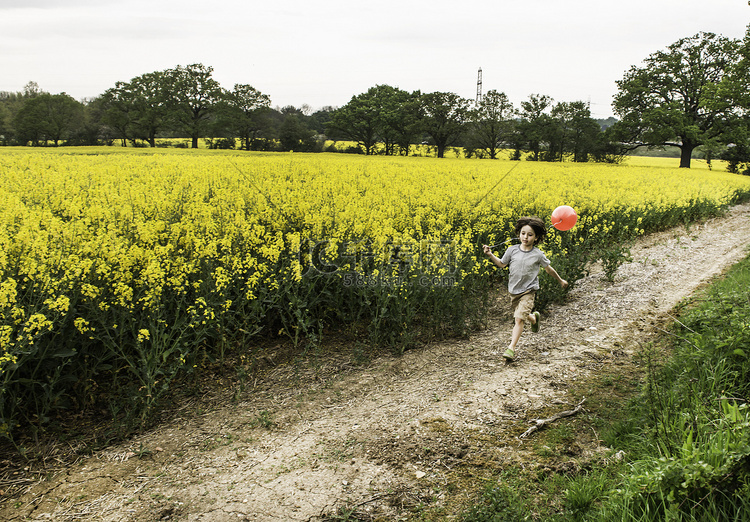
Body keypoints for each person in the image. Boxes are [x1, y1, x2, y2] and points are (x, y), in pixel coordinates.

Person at [482, 216, 568, 362]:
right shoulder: (512, 250)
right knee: (522, 313)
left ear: (536, 237)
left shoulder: (538, 254)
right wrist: (490, 254)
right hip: (514, 291)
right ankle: (534, 318)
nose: (525, 237)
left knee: (518, 318)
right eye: (523, 233)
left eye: (530, 235)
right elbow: (502, 264)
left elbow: (548, 269)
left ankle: (511, 348)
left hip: (529, 291)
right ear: (518, 234)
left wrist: (560, 280)